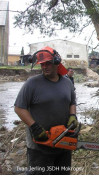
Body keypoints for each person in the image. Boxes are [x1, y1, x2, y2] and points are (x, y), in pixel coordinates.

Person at [14, 46, 78, 175]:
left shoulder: (67, 83)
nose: (44, 67)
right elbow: (19, 108)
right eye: (42, 64)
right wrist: (34, 127)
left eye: (48, 63)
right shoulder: (32, 84)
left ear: (56, 62)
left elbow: (72, 102)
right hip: (40, 144)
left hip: (63, 142)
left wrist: (73, 115)